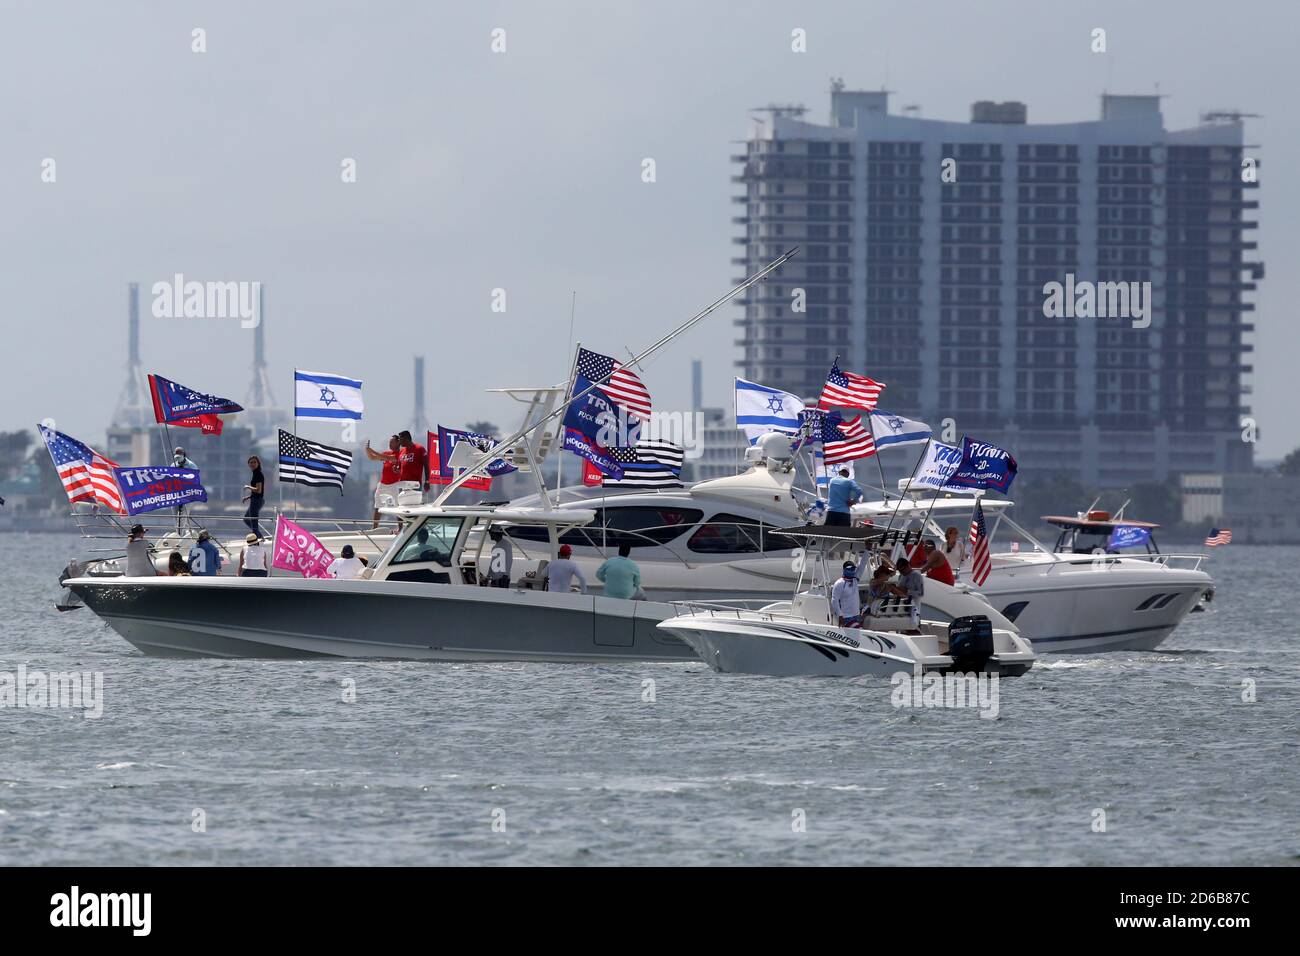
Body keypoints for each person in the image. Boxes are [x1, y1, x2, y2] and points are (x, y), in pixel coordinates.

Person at [365, 435, 402, 527]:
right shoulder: (387, 453)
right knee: (377, 506)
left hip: (394, 485)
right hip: (383, 484)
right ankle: (374, 528)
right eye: (389, 442)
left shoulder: (399, 455)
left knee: (397, 508)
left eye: (392, 442)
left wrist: (371, 449)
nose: (390, 444)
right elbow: (372, 458)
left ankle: (400, 528)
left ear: (398, 443)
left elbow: (386, 457)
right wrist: (367, 450)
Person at [394, 430, 427, 506]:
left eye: (400, 440)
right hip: (403, 486)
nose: (399, 442)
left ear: (406, 439)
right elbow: (400, 468)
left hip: (414, 485)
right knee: (402, 508)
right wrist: (396, 470)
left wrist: (427, 481)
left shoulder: (419, 449)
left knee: (413, 508)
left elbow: (426, 465)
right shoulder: (402, 451)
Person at [830, 559, 865, 628]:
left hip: (857, 616)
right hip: (846, 618)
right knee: (858, 630)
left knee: (858, 634)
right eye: (849, 569)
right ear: (844, 570)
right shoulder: (839, 583)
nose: (852, 571)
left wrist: (867, 550)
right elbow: (834, 601)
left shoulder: (855, 580)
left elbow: (862, 566)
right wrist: (840, 615)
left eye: (853, 569)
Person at [894, 557, 925, 634]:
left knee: (914, 630)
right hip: (902, 609)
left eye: (902, 570)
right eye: (899, 570)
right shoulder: (901, 576)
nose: (901, 572)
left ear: (908, 565)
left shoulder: (917, 576)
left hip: (913, 610)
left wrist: (907, 591)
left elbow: (921, 593)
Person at [242, 455, 265, 537]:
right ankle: (258, 535)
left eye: (255, 462)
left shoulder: (258, 474)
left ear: (258, 463)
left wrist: (248, 487)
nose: (253, 464)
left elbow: (258, 490)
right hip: (255, 499)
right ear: (248, 464)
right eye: (251, 462)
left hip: (257, 500)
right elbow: (257, 491)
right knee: (246, 519)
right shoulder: (255, 473)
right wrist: (248, 497)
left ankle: (258, 537)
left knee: (254, 521)